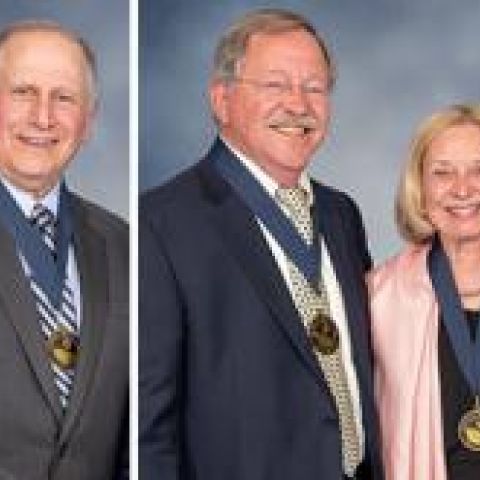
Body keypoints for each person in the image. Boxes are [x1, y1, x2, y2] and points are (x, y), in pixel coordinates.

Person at [140, 8, 383, 480]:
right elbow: (150, 428)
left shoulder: (341, 215)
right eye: (275, 85)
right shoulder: (162, 224)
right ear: (222, 100)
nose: (298, 105)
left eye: (314, 87)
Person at [0, 21, 129, 479]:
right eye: (22, 92)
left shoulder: (123, 247)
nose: (42, 117)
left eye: (65, 97)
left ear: (89, 121)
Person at [369, 103, 480, 479]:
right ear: (420, 188)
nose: (463, 188)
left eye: (478, 170)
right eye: (442, 173)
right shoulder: (377, 299)